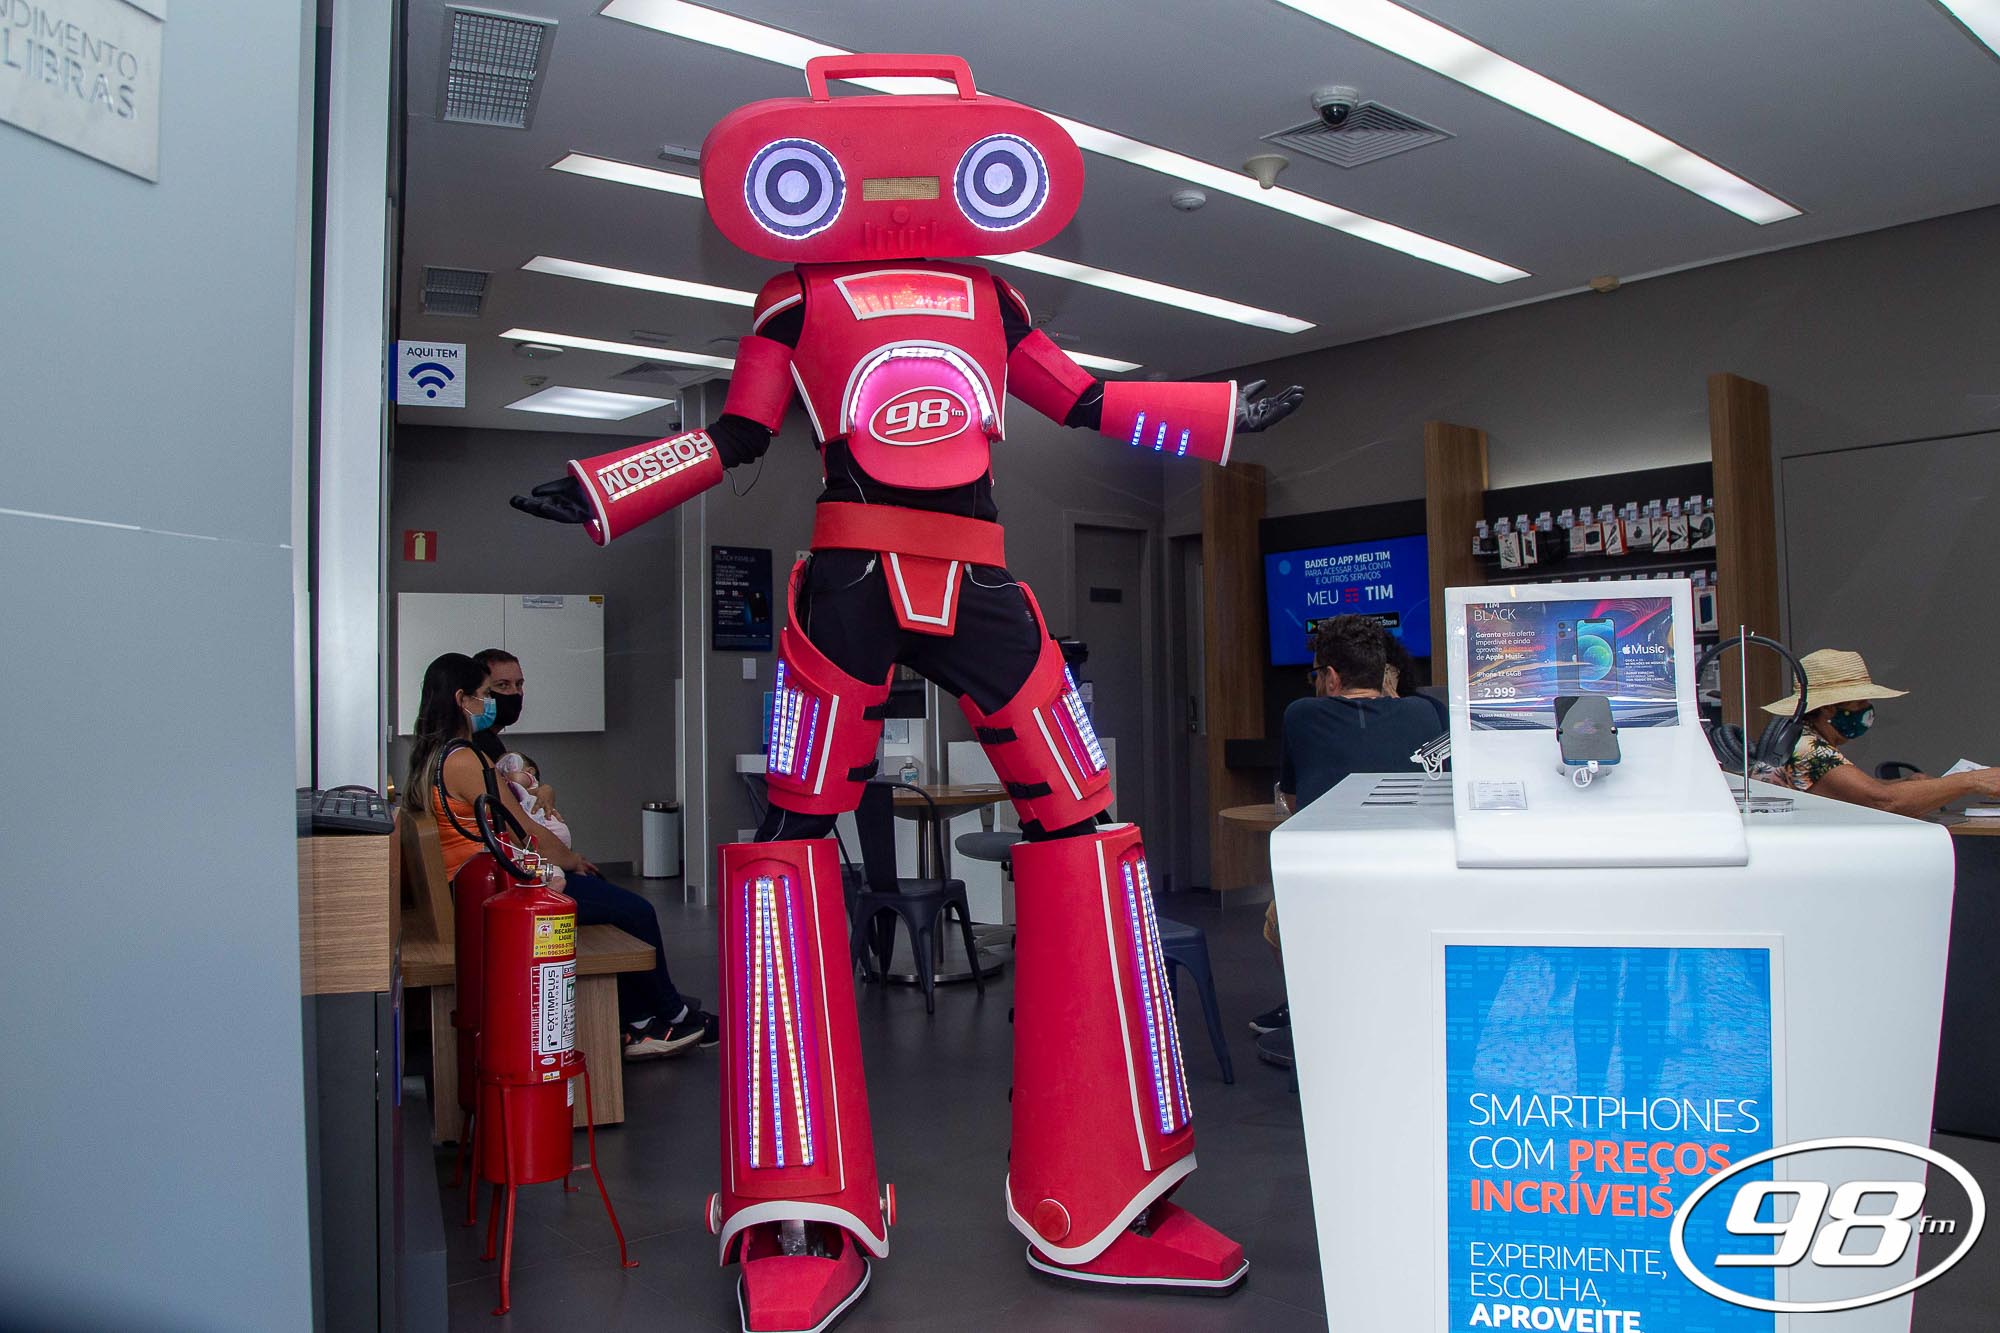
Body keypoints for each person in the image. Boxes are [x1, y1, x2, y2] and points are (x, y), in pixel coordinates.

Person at [510, 57, 1303, 1322]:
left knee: (1086, 828)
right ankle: (796, 1211)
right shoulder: (792, 295)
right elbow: (740, 434)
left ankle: (1108, 1199)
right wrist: (611, 484)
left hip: (978, 583)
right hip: (847, 581)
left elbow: (1081, 397)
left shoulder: (993, 295)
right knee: (789, 842)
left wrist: (1214, 414)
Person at [402, 652, 715, 1059]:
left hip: (465, 889)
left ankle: (642, 1016)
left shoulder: (432, 755)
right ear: (461, 699)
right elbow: (524, 830)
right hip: (493, 895)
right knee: (636, 911)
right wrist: (571, 859)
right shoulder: (465, 759)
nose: (490, 703)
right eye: (485, 694)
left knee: (609, 904)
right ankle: (665, 1016)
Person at [1252, 619, 1443, 1063]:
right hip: (1414, 887)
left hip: (1327, 889)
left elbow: (1296, 804)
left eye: (1317, 674)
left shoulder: (1301, 715)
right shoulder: (1424, 714)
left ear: (1332, 677)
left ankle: (1313, 1017)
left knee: (1277, 921)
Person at [1762, 648, 2000, 814]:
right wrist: (1971, 780)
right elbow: (1883, 802)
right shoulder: (1808, 748)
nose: (1867, 710)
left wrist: (1905, 783)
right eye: (1859, 703)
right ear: (1828, 709)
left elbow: (1846, 790)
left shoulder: (1799, 738)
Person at [469, 647, 522, 764]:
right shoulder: (476, 744)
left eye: (519, 684)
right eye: (503, 685)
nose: (515, 692)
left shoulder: (490, 741)